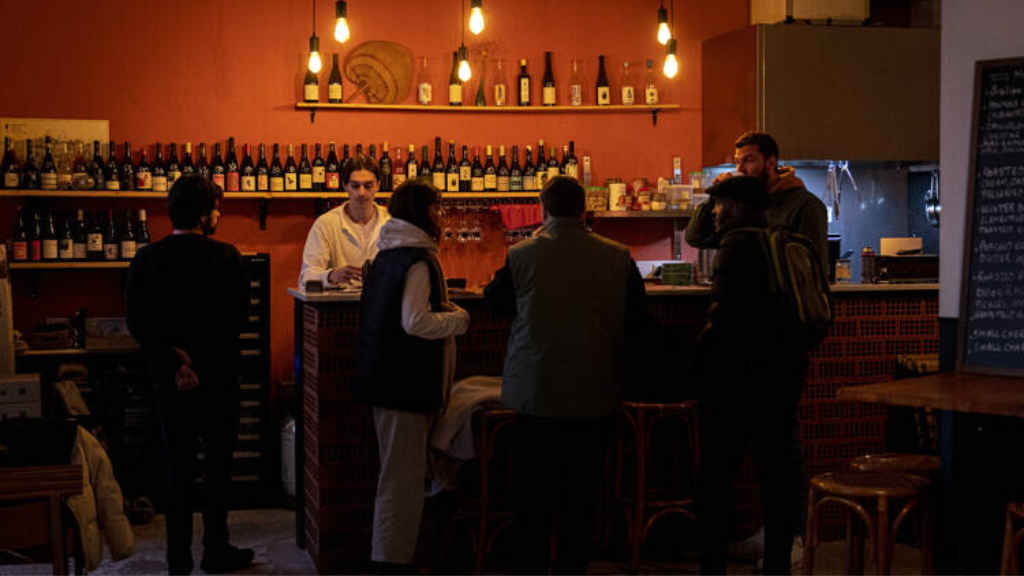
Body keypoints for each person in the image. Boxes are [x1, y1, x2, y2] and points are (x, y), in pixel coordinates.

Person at [484, 176, 648, 574]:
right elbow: (637, 321)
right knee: (582, 495)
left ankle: (532, 564)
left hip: (536, 390)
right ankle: (572, 567)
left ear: (544, 209)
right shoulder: (618, 256)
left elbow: (495, 300)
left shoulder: (522, 255)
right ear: (585, 210)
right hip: (596, 390)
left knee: (533, 495)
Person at [126, 176, 252, 575]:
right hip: (218, 380)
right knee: (218, 468)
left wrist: (174, 362)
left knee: (176, 470)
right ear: (203, 213)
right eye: (216, 207)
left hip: (169, 383)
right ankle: (215, 550)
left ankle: (176, 560)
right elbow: (235, 321)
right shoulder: (228, 257)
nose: (220, 214)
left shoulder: (146, 259)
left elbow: (137, 322)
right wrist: (199, 363)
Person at [353, 180, 470, 575]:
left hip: (386, 382)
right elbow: (414, 321)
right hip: (404, 386)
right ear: (421, 212)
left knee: (401, 477)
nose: (441, 215)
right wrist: (457, 318)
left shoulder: (386, 255)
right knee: (401, 483)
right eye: (436, 208)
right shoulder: (417, 258)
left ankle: (397, 558)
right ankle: (391, 565)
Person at [694, 176, 808, 575]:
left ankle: (713, 567)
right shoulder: (782, 240)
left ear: (740, 206)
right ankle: (778, 564)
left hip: (741, 382)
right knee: (775, 481)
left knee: (712, 479)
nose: (715, 211)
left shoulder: (736, 245)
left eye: (720, 204)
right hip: (783, 379)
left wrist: (693, 360)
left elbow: (726, 319)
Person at [686, 131, 828, 279]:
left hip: (782, 300)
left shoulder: (805, 205)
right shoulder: (742, 206)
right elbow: (696, 237)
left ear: (771, 163)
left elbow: (815, 271)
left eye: (749, 160)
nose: (740, 169)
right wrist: (717, 196)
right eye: (737, 162)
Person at [299, 155, 390, 288]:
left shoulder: (393, 221)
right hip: (340, 307)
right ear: (345, 185)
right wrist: (331, 276)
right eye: (355, 186)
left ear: (378, 185)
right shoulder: (326, 223)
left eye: (368, 186)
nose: (361, 193)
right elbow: (305, 278)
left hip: (385, 305)